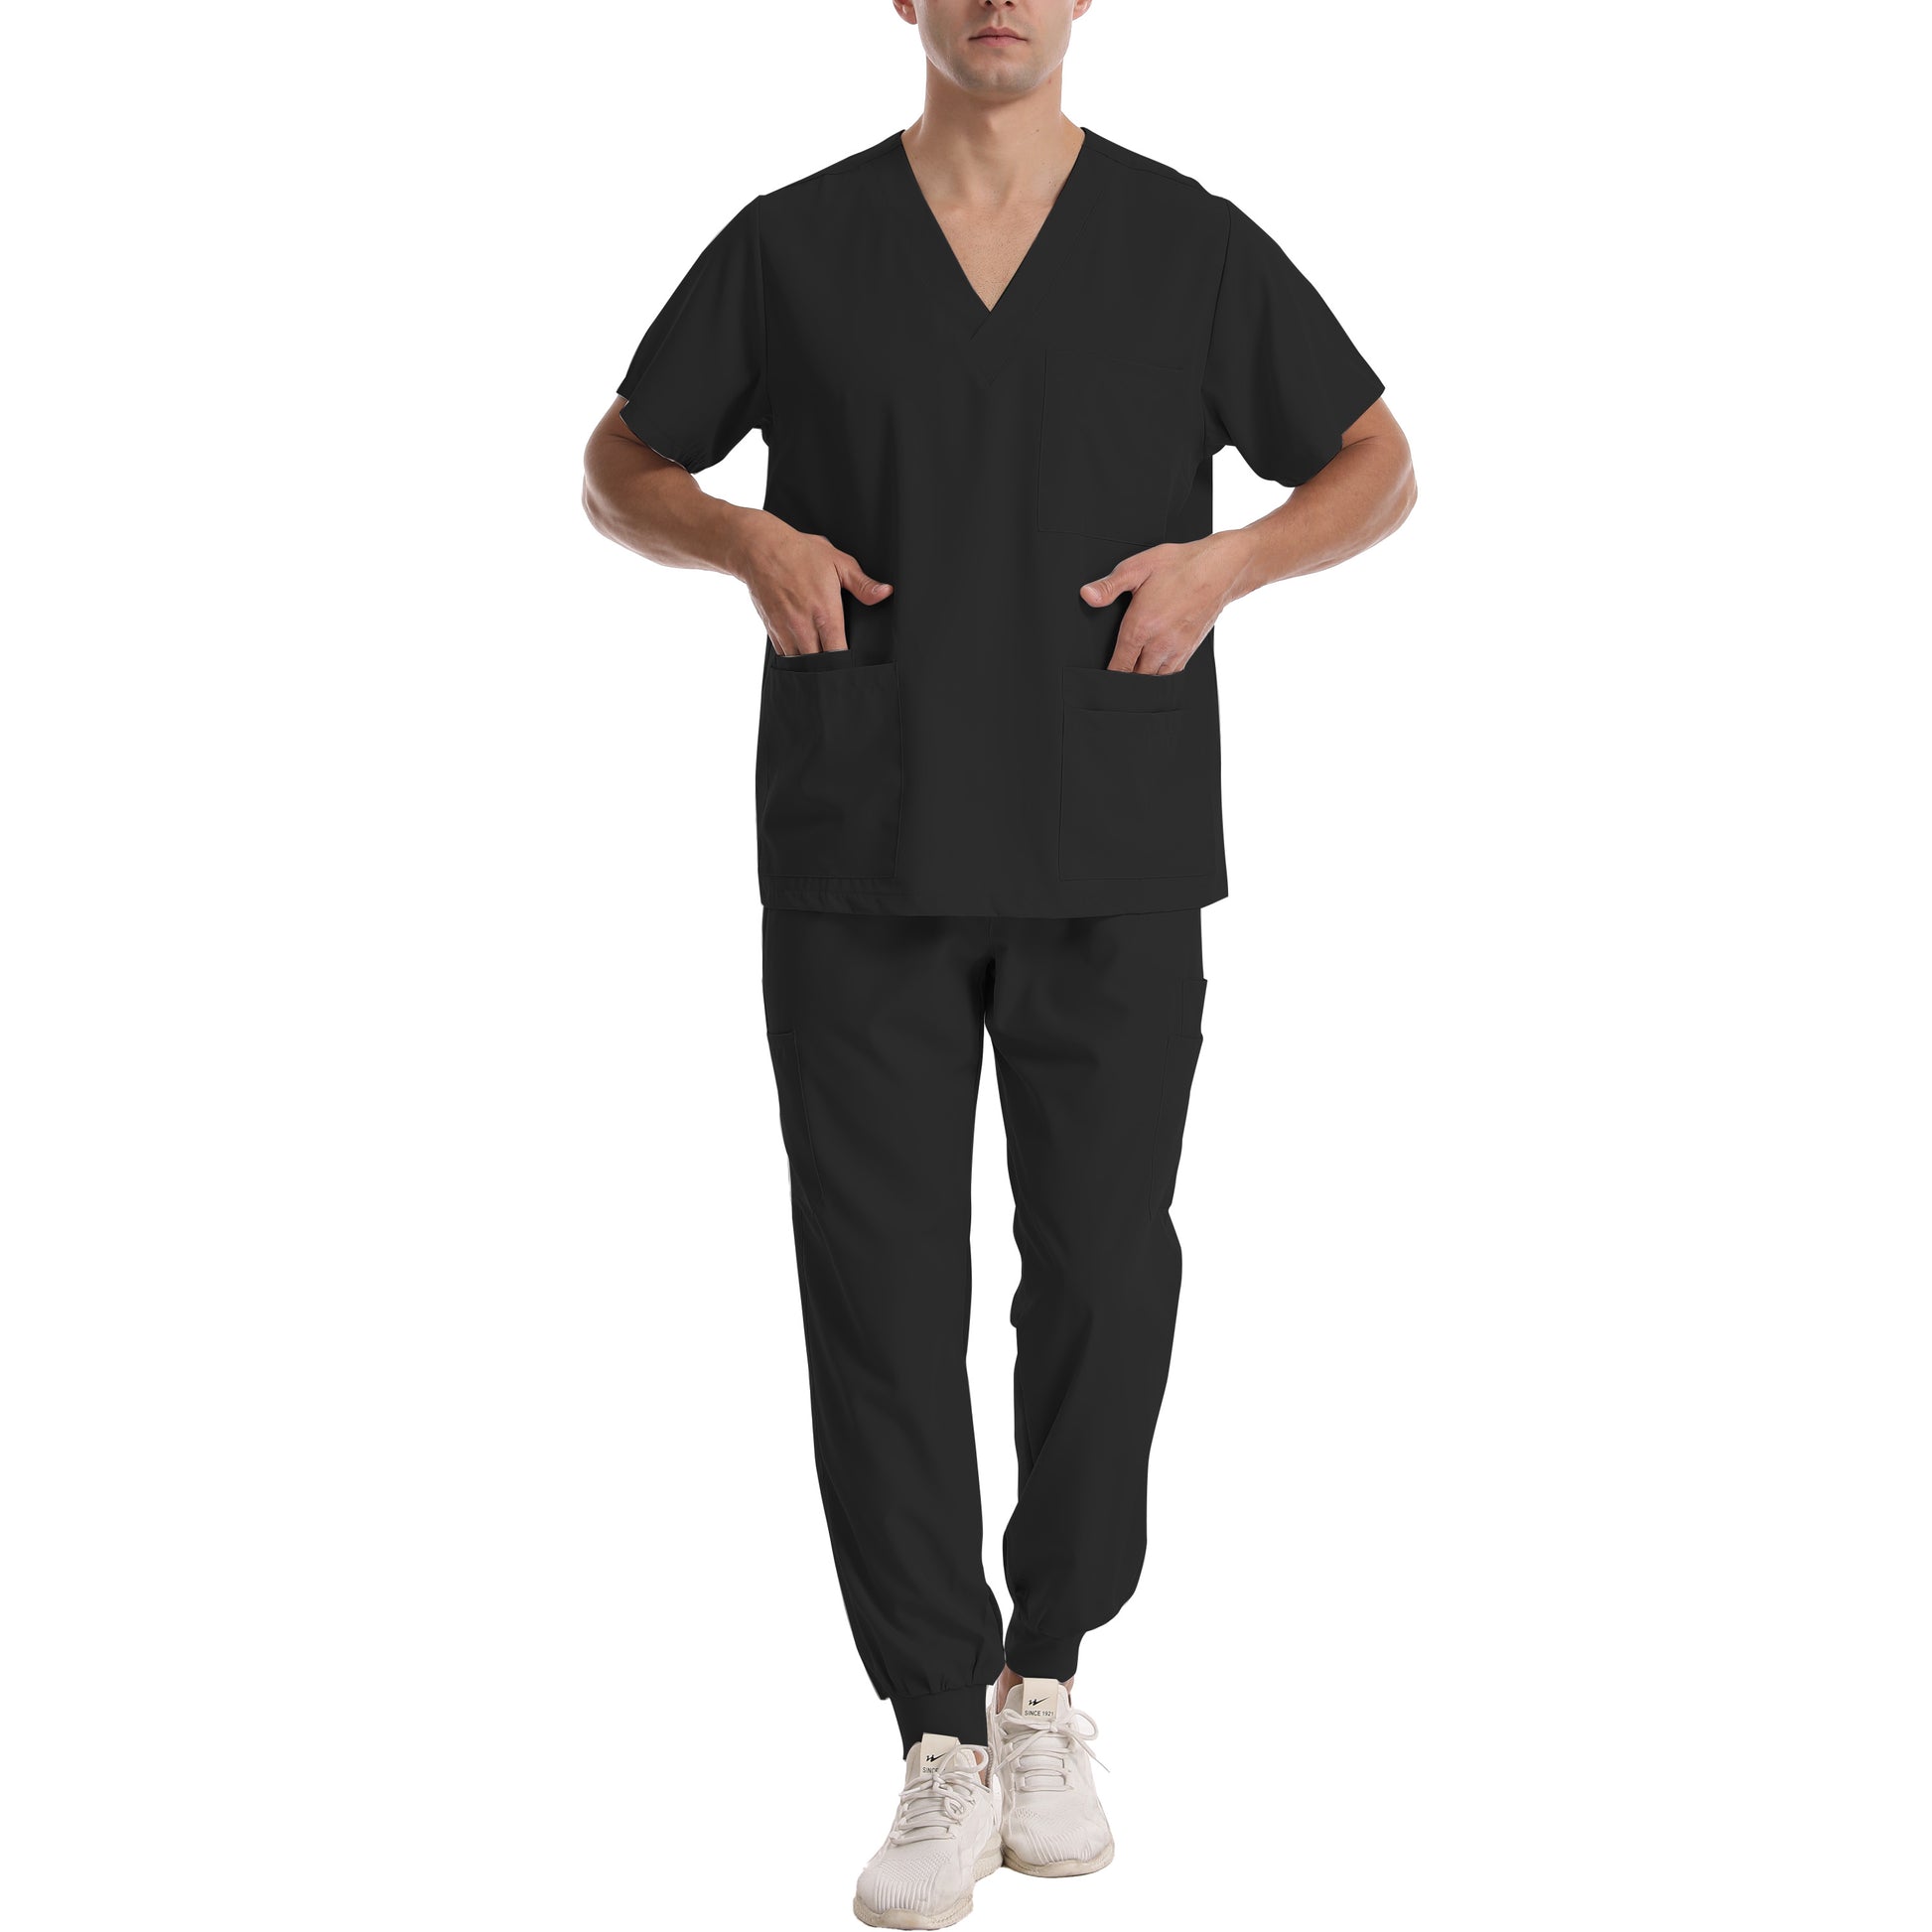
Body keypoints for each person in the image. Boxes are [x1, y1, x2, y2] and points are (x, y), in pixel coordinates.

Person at [582, 2, 1415, 1923]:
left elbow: (1373, 459)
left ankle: (1046, 1676)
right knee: (877, 1288)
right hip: (863, 834)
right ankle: (934, 1730)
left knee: (1105, 1268)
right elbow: (621, 457)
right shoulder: (793, 244)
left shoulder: (1186, 242)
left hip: (1109, 836)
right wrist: (735, 536)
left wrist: (1230, 565)